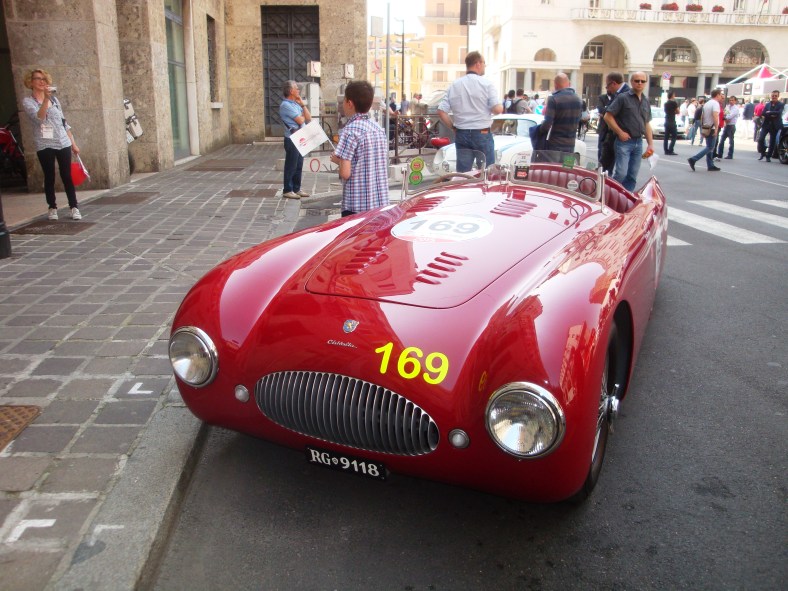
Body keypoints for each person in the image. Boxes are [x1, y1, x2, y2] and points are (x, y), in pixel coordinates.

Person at [22, 68, 82, 220]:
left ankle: (74, 206)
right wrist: (46, 100)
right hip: (45, 143)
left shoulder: (55, 100)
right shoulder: (28, 101)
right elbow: (39, 118)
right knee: (49, 176)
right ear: (31, 82)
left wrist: (73, 143)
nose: (42, 81)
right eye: (38, 79)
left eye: (44, 79)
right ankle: (52, 207)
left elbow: (63, 123)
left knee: (67, 175)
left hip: (63, 141)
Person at [329, 80, 389, 217]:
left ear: (349, 104)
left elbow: (345, 173)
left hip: (356, 205)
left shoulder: (349, 131)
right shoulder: (378, 129)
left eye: (344, 100)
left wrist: (337, 160)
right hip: (380, 204)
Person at [437, 51, 503, 172]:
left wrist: (453, 127)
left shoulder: (454, 85)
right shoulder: (487, 84)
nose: (484, 66)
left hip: (462, 133)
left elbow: (441, 111)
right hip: (482, 132)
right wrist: (500, 106)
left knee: (464, 174)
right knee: (486, 172)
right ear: (477, 64)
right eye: (484, 63)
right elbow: (497, 109)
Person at [603, 71, 654, 191]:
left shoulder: (645, 101)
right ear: (631, 82)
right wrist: (620, 132)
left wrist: (650, 144)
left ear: (646, 83)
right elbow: (607, 116)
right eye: (637, 81)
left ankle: (626, 198)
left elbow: (646, 123)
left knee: (632, 175)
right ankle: (610, 194)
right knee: (621, 173)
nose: (640, 83)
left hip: (638, 142)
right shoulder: (623, 97)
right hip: (624, 142)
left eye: (643, 81)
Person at [535, 72, 583, 155]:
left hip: (555, 145)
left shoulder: (553, 99)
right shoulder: (578, 99)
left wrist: (539, 130)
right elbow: (579, 119)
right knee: (567, 167)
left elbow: (547, 123)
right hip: (571, 145)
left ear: (555, 85)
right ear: (569, 84)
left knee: (554, 167)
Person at [279, 80, 311, 199]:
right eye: (296, 88)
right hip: (292, 139)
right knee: (291, 164)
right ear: (291, 91)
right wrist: (302, 117)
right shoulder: (286, 105)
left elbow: (308, 118)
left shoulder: (296, 104)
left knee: (299, 164)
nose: (298, 90)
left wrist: (302, 104)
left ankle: (296, 188)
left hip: (300, 137)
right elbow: (301, 121)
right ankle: (288, 189)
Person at [597, 72, 629, 173]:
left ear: (613, 83)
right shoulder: (615, 95)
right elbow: (603, 110)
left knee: (621, 170)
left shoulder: (624, 95)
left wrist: (619, 132)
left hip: (619, 135)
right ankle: (603, 181)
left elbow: (607, 114)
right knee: (605, 164)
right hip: (610, 134)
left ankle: (610, 184)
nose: (608, 89)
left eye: (607, 86)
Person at [687, 88, 723, 173]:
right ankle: (693, 159)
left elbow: (702, 116)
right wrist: (716, 128)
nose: (721, 96)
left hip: (706, 126)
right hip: (712, 127)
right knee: (710, 147)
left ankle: (710, 165)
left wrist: (703, 126)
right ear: (717, 95)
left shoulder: (707, 103)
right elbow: (715, 116)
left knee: (709, 146)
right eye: (720, 95)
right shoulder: (715, 104)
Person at [758, 90, 785, 162]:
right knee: (760, 139)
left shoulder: (781, 104)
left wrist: (769, 112)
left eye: (775, 96)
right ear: (771, 96)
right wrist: (772, 114)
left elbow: (779, 113)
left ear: (778, 96)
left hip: (775, 125)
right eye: (773, 96)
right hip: (766, 124)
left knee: (772, 142)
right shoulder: (767, 104)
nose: (774, 97)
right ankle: (763, 152)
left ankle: (768, 156)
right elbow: (763, 113)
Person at [715, 95, 739, 160]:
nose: (731, 101)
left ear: (735, 101)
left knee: (731, 141)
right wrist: (725, 117)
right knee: (722, 140)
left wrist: (725, 117)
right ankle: (720, 154)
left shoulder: (735, 108)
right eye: (730, 100)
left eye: (732, 100)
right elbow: (724, 113)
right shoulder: (728, 107)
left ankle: (730, 155)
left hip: (731, 125)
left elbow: (730, 116)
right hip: (726, 125)